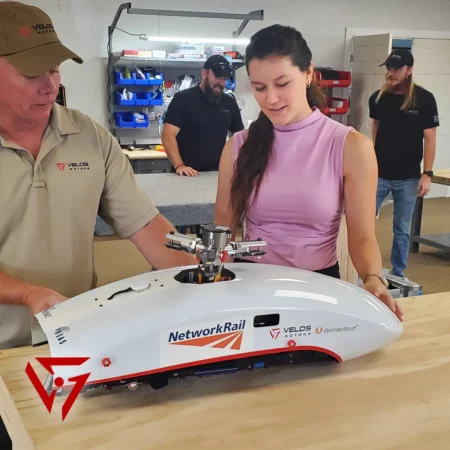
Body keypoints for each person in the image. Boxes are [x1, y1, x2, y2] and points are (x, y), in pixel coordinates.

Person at [0, 1, 197, 353]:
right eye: (32, 74)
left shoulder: (90, 137)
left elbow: (147, 226)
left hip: (68, 340)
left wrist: (204, 277)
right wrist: (27, 293)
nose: (50, 86)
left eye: (55, 69)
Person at [214, 24, 403, 322]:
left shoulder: (350, 146)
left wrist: (373, 278)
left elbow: (363, 236)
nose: (271, 99)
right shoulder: (238, 147)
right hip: (251, 286)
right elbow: (224, 232)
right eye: (260, 88)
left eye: (282, 83)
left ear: (307, 73)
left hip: (319, 287)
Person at [369, 49, 439, 279]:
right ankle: (364, 270)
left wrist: (427, 174)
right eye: (388, 68)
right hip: (378, 174)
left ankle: (398, 273)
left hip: (408, 177)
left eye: (396, 69)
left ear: (409, 70)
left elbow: (429, 138)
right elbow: (375, 130)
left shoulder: (425, 99)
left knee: (401, 229)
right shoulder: (378, 98)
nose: (390, 73)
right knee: (363, 224)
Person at [162, 55, 244, 176]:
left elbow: (240, 136)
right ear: (204, 73)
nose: (221, 82)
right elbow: (167, 135)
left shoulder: (229, 102)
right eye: (217, 77)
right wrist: (179, 165)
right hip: (185, 174)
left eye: (224, 78)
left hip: (217, 174)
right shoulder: (183, 99)